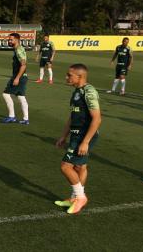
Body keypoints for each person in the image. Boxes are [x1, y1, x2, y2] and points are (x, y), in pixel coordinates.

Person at [54, 64, 101, 214]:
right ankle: (75, 197)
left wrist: (85, 141)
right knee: (80, 167)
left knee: (65, 166)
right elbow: (72, 116)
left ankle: (80, 197)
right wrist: (64, 135)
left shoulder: (89, 92)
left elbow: (97, 119)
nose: (66, 77)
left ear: (79, 76)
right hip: (76, 133)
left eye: (69, 75)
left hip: (84, 135)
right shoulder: (77, 91)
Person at [2, 33, 29, 124]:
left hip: (19, 77)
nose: (9, 41)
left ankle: (11, 116)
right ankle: (26, 119)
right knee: (21, 97)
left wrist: (17, 78)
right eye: (9, 39)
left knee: (6, 94)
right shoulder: (18, 49)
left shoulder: (18, 50)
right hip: (23, 77)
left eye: (11, 39)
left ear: (17, 40)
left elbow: (23, 65)